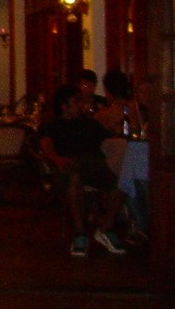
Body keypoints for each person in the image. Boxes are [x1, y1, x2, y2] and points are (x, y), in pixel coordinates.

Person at [37, 83, 128, 258]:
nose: (81, 104)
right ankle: (80, 232)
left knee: (124, 182)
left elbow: (109, 138)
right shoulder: (52, 125)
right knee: (74, 180)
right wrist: (57, 159)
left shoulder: (89, 124)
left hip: (93, 166)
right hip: (68, 166)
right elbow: (46, 146)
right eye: (76, 101)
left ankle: (106, 227)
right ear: (64, 105)